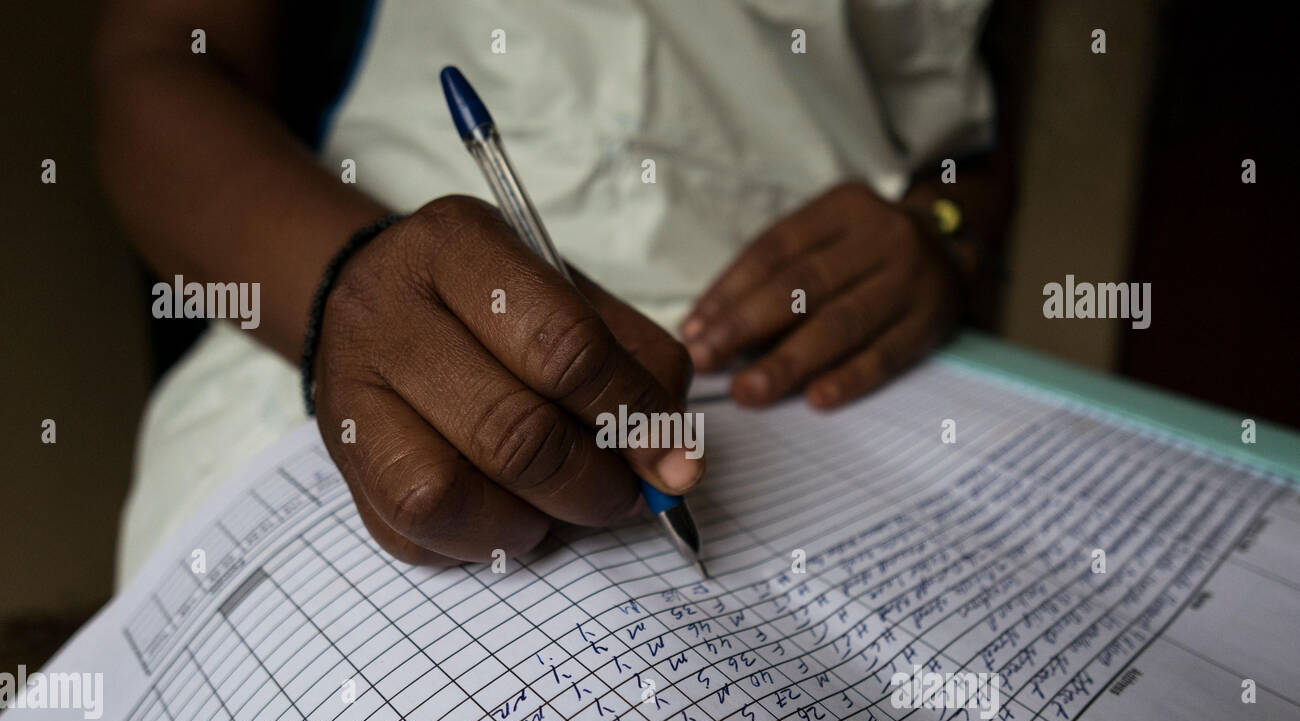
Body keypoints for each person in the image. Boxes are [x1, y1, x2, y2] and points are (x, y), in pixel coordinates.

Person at [96, 0, 1010, 585]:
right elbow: (156, 62)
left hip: (832, 378)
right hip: (373, 335)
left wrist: (943, 237)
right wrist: (342, 280)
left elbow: (967, 157)